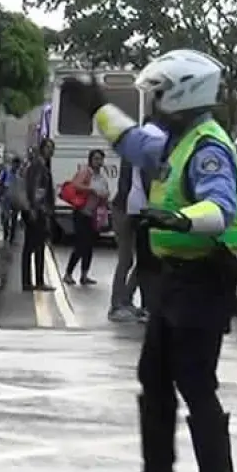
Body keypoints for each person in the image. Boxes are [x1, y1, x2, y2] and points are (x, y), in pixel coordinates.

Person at [59, 49, 237, 472]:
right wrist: (99, 103)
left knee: (196, 385)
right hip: (174, 278)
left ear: (183, 93)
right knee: (156, 376)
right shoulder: (176, 142)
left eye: (160, 94)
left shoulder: (208, 148)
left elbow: (222, 208)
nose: (155, 103)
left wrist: (182, 218)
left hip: (204, 278)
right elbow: (132, 141)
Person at [109, 123, 154, 323]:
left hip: (131, 208)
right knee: (127, 258)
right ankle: (117, 304)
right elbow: (132, 184)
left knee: (143, 259)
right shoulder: (137, 154)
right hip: (126, 209)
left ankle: (125, 299)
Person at [63, 149, 110, 285]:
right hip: (81, 213)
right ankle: (68, 273)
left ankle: (84, 275)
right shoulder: (86, 172)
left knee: (89, 246)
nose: (98, 162)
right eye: (96, 159)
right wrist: (91, 190)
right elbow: (75, 184)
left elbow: (105, 193)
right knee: (80, 245)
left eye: (100, 159)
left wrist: (105, 197)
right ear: (90, 160)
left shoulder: (101, 177)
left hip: (93, 216)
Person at [18, 139, 56, 292]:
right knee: (33, 246)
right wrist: (35, 208)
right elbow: (35, 188)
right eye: (48, 148)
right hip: (37, 210)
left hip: (37, 209)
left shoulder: (40, 165)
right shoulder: (38, 165)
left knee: (38, 246)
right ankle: (32, 281)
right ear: (42, 149)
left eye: (52, 148)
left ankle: (35, 280)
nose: (51, 151)